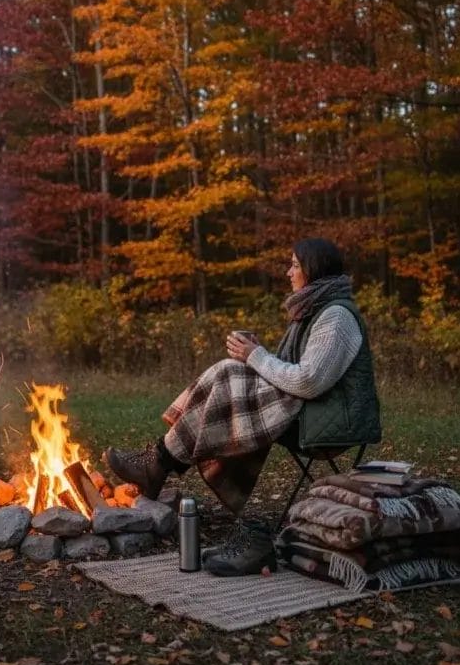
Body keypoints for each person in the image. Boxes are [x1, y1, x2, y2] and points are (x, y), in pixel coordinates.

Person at [104, 237, 381, 576]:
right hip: (309, 410)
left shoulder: (335, 316)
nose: (288, 272)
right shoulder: (314, 310)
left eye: (294, 265)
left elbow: (309, 382)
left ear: (313, 269)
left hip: (329, 421)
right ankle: (159, 463)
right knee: (229, 374)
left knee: (229, 373)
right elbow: (300, 374)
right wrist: (259, 357)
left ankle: (159, 462)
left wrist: (256, 357)